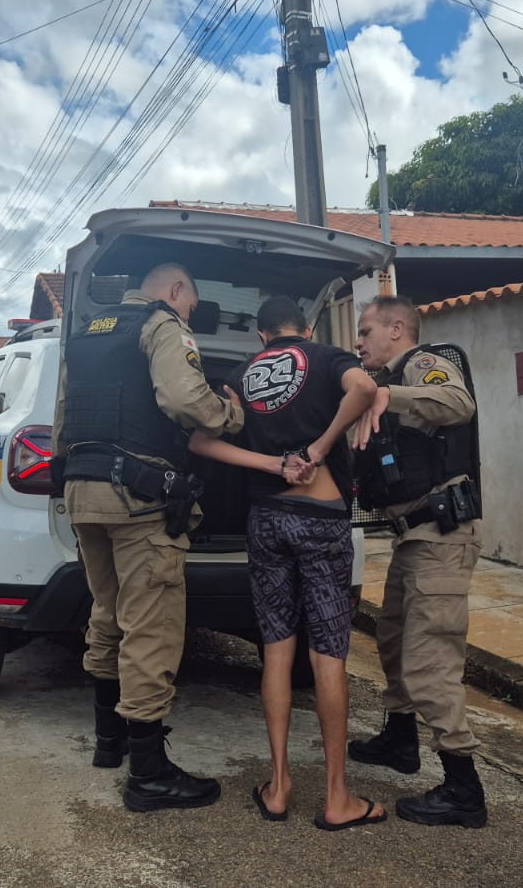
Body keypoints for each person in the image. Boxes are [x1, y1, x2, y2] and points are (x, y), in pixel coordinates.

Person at [186, 295, 385, 831]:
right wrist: (318, 449)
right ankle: (337, 798)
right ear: (308, 326)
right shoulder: (325, 357)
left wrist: (274, 464)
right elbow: (365, 388)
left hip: (266, 519)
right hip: (320, 518)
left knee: (276, 652)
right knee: (328, 656)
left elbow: (202, 441)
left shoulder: (239, 372)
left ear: (260, 337)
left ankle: (277, 787)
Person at [53, 262, 244, 813]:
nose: (187, 315)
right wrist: (232, 415)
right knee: (150, 626)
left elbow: (65, 417)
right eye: (190, 306)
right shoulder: (159, 324)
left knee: (107, 614)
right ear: (178, 290)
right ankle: (150, 774)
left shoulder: (88, 332)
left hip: (82, 491)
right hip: (137, 497)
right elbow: (185, 401)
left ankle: (108, 744)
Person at [346, 296, 488, 828]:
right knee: (392, 637)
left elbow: (457, 403)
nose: (359, 342)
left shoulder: (425, 364)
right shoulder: (388, 382)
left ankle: (463, 789)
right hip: (412, 536)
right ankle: (400, 741)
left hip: (441, 534)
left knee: (431, 657)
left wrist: (384, 393)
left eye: (366, 331)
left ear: (397, 328)